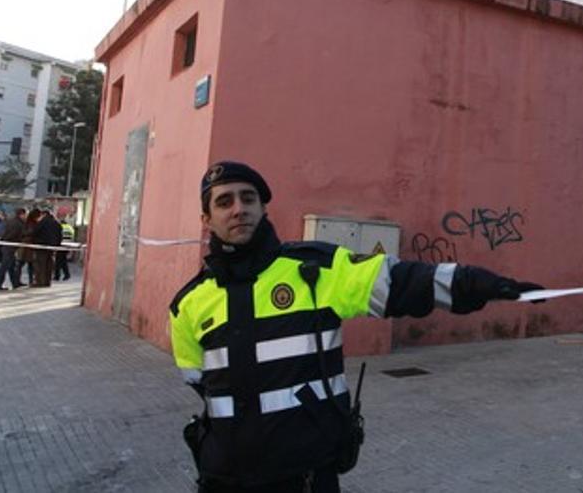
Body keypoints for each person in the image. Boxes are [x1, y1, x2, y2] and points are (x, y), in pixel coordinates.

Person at [170, 161, 544, 492]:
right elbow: (200, 382)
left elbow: (402, 281)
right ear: (207, 220)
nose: (238, 209)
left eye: (247, 198)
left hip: (307, 475)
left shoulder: (315, 270)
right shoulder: (187, 305)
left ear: (263, 207)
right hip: (227, 478)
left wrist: (482, 285)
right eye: (224, 202)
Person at [0, 208, 26, 291]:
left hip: (8, 246)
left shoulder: (12, 221)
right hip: (9, 247)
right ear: (21, 214)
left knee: (11, 265)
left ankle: (15, 283)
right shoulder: (17, 223)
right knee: (4, 266)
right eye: (25, 214)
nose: (25, 216)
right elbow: (13, 234)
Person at [33, 208, 64, 287]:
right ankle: (47, 281)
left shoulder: (42, 222)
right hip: (52, 247)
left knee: (40, 265)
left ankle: (40, 282)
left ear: (44, 214)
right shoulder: (56, 223)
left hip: (41, 246)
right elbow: (60, 235)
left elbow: (35, 232)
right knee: (49, 265)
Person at [54, 214, 75, 281]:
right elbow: (73, 236)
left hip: (61, 245)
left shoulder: (59, 227)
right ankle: (66, 274)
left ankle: (57, 276)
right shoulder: (70, 227)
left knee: (58, 261)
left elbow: (58, 236)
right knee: (63, 260)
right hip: (68, 245)